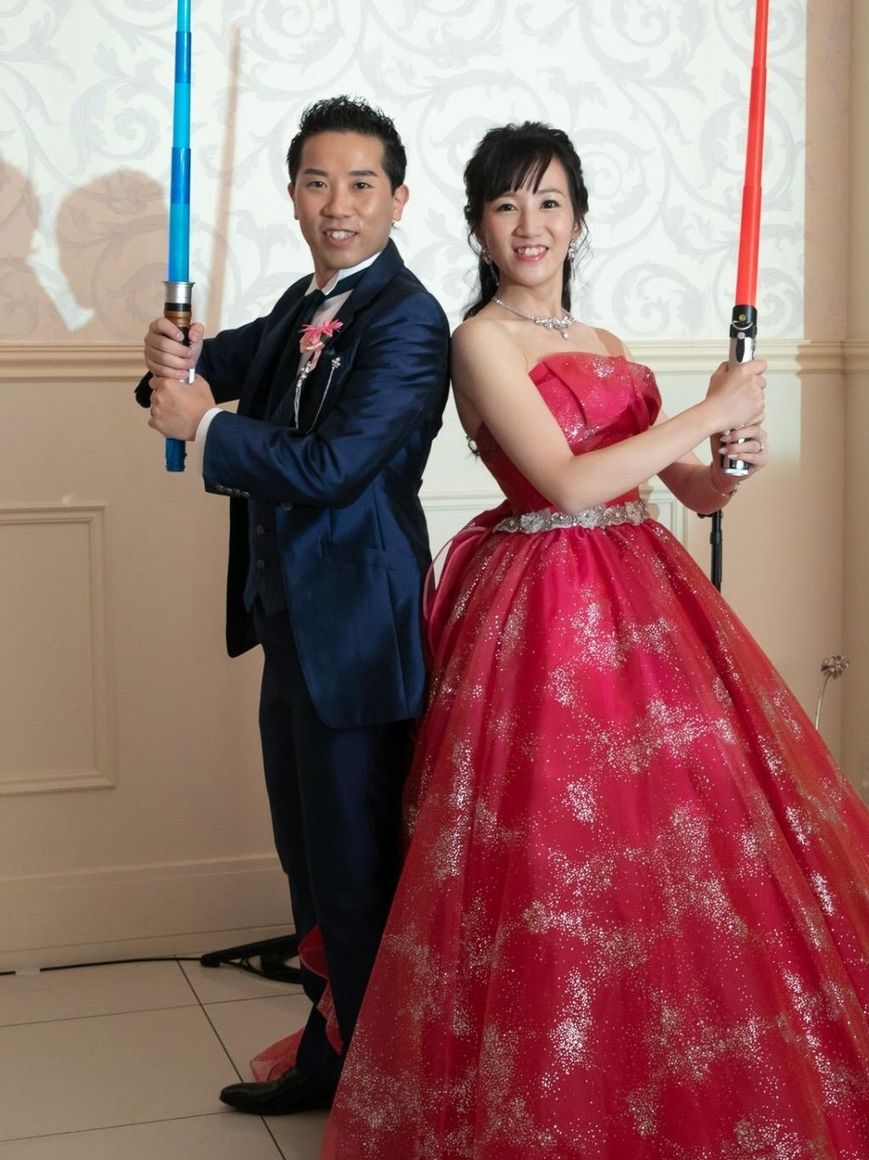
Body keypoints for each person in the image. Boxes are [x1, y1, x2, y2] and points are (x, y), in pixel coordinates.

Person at [321, 122, 869, 1158]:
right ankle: (561, 1081)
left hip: (645, 598)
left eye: (549, 202)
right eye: (506, 205)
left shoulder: (608, 343)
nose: (530, 224)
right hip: (542, 613)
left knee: (688, 840)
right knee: (557, 850)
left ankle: (678, 1062)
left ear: (579, 217)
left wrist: (728, 457)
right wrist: (707, 408)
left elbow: (688, 488)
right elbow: (568, 482)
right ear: (479, 228)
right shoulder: (478, 341)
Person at [140, 96, 450, 1116]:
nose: (338, 204)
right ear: (292, 195)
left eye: (361, 184)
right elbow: (192, 377)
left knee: (357, 866)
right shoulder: (297, 305)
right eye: (318, 182)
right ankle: (332, 1056)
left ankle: (384, 1093)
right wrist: (167, 355)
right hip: (289, 628)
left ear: (398, 199)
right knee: (309, 858)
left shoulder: (408, 319)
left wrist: (207, 426)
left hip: (358, 632)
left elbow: (333, 465)